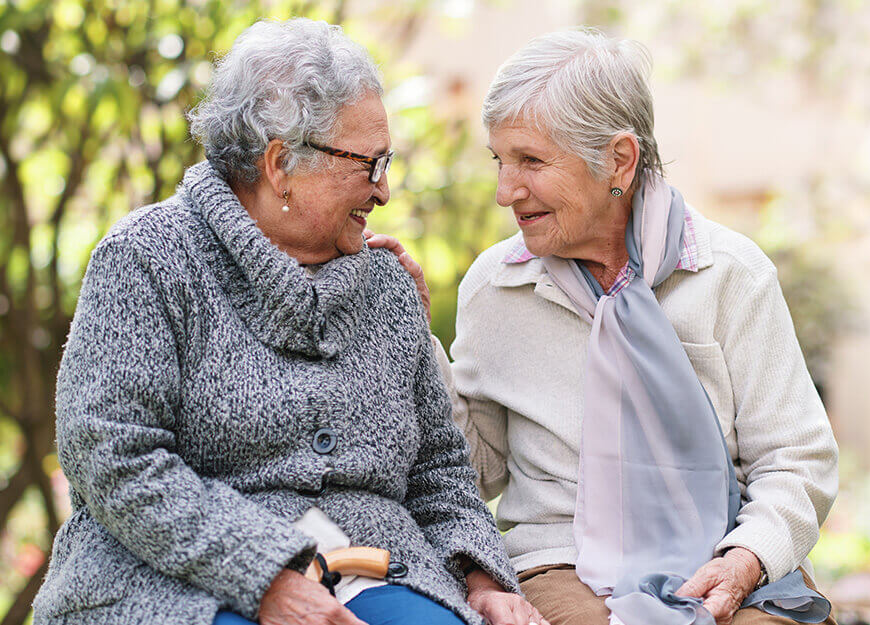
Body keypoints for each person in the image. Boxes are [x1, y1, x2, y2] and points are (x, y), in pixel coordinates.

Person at [32, 19, 549, 625]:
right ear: (280, 164)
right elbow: (115, 459)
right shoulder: (146, 260)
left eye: (388, 162)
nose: (383, 191)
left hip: (378, 566)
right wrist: (267, 579)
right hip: (180, 575)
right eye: (370, 164)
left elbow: (439, 469)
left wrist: (484, 581)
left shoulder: (384, 282)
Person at [371, 28, 839, 625]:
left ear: (618, 159)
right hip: (560, 562)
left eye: (531, 161)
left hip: (723, 552)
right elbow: (474, 469)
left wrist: (746, 558)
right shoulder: (496, 287)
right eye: (500, 160)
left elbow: (797, 459)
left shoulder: (731, 275)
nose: (504, 191)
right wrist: (412, 338)